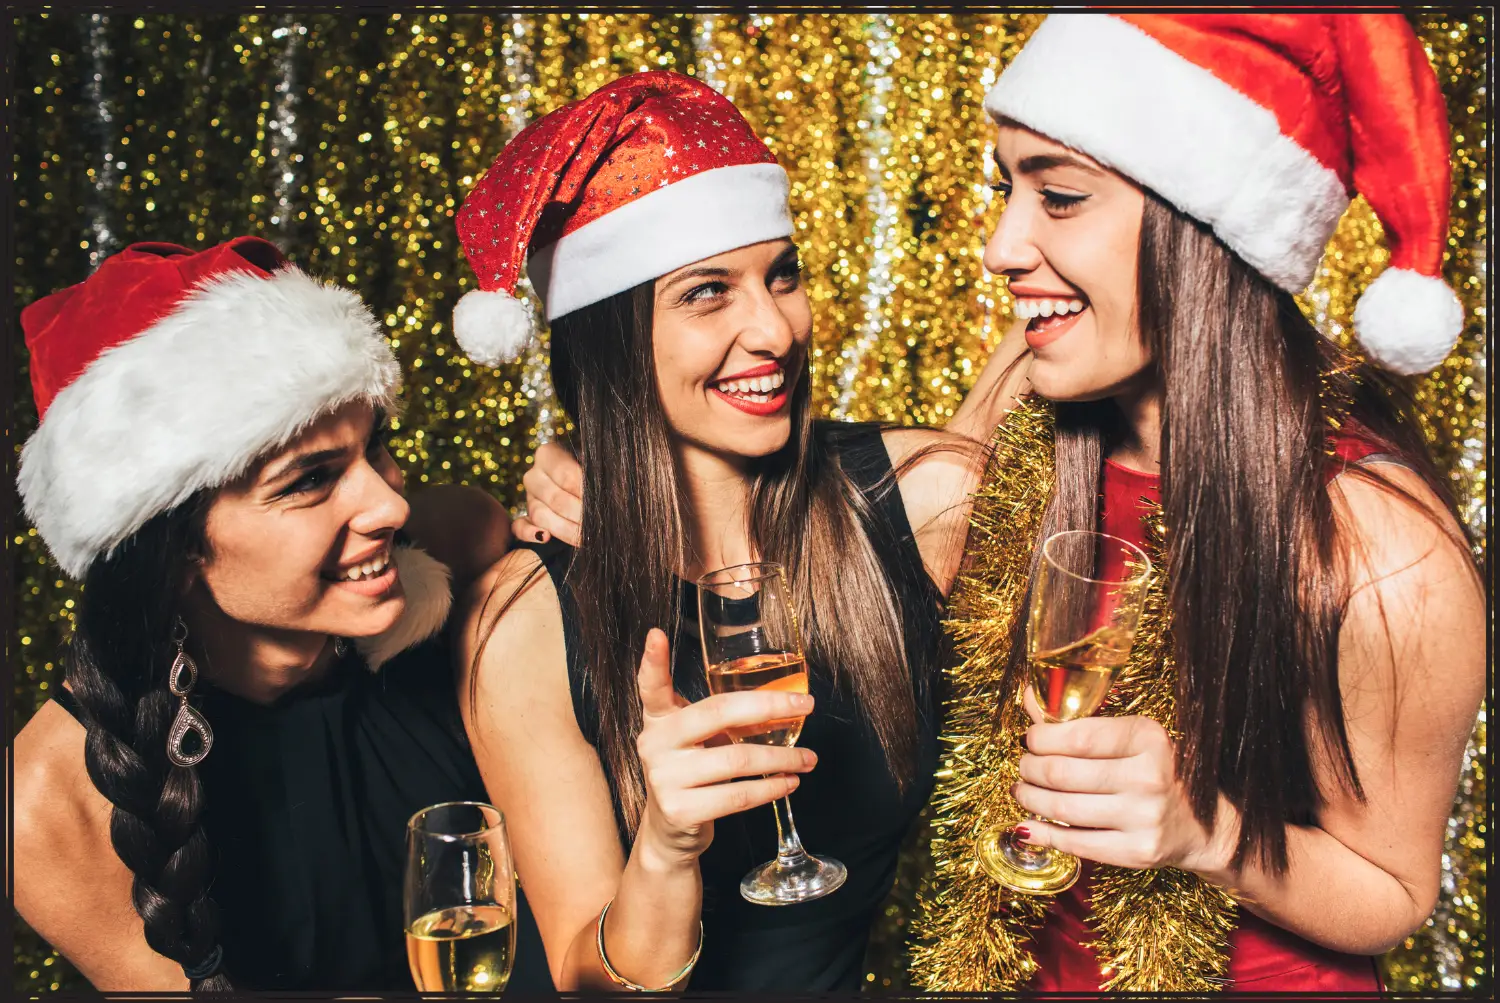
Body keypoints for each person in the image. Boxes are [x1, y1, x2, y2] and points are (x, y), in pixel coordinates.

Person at [900, 12, 1485, 992]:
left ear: (1207, 231)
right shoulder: (1036, 388)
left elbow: (1395, 889)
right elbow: (915, 537)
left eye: (1060, 196)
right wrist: (636, 484)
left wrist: (1203, 827)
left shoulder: (1378, 547)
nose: (1003, 246)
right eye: (1007, 188)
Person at [447, 71, 1028, 992]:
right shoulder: (522, 622)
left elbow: (1045, 369)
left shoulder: (917, 501)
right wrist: (668, 851)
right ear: (610, 339)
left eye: (782, 274)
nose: (774, 328)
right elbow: (584, 978)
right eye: (707, 292)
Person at [11, 237, 550, 991]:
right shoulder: (50, 798)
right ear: (172, 547)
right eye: (310, 481)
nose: (391, 503)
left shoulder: (456, 539)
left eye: (376, 448)